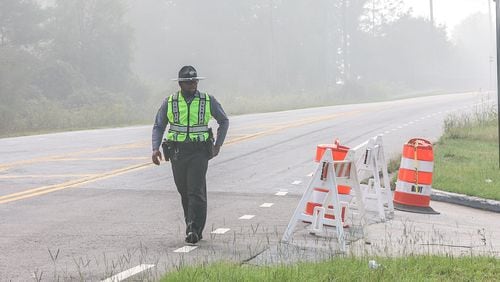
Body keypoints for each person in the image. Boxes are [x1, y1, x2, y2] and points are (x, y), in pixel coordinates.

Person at [151, 66, 229, 245]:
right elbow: (158, 126)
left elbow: (224, 121)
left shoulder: (208, 100)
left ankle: (193, 229)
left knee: (195, 190)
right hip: (177, 152)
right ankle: (192, 225)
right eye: (188, 82)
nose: (193, 84)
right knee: (184, 191)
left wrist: (218, 144)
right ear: (180, 84)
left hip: (199, 152)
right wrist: (155, 148)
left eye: (195, 81)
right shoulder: (169, 102)